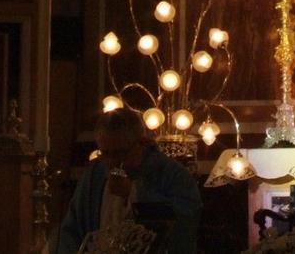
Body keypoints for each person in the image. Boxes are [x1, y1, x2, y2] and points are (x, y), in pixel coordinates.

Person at [56, 109, 201, 254]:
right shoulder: (95, 174)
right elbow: (71, 229)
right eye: (105, 153)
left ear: (142, 144)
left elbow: (185, 221)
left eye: (119, 153)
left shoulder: (172, 174)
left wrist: (135, 193)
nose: (111, 162)